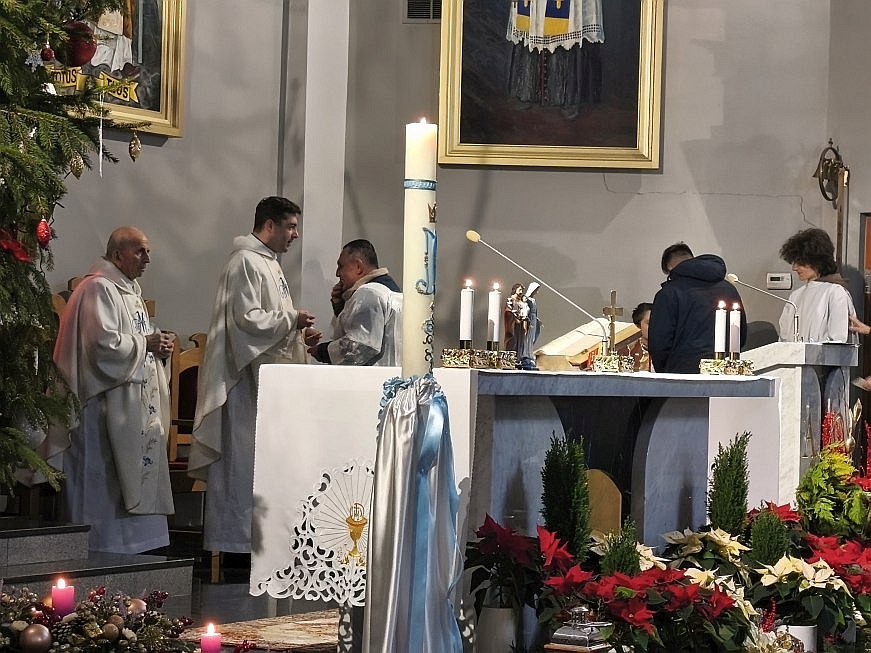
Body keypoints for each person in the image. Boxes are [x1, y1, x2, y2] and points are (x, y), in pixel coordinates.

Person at [188, 196, 319, 555]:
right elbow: (246, 320)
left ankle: (261, 544)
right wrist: (291, 320)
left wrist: (298, 334)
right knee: (242, 464)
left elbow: (268, 321)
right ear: (270, 225)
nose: (295, 235)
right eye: (291, 227)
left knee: (263, 465)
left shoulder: (268, 262)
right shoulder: (245, 262)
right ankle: (234, 546)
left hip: (266, 381)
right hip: (244, 381)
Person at [53, 226, 175, 553]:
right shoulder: (97, 289)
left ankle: (134, 550)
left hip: (130, 404)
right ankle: (95, 550)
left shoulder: (130, 292)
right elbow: (101, 347)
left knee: (128, 476)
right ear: (118, 255)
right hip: (101, 407)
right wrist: (146, 343)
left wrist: (159, 350)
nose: (147, 259)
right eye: (140, 251)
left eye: (148, 251)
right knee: (101, 480)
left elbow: (139, 340)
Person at [648, 243, 747, 373]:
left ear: (670, 268)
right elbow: (740, 333)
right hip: (726, 369)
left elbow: (659, 342)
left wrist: (665, 371)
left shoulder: (669, 293)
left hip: (683, 372)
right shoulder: (729, 289)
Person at [308, 239, 402, 366]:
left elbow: (360, 346)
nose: (337, 273)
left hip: (372, 376)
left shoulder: (369, 293)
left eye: (341, 266)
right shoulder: (390, 292)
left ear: (358, 266)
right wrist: (341, 306)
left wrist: (322, 351)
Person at [778, 228, 856, 342]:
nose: (794, 268)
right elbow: (783, 338)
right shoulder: (795, 296)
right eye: (794, 262)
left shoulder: (835, 293)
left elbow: (838, 341)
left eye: (800, 262)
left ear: (817, 261)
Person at [518, 282, 542, 369]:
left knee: (532, 337)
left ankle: (530, 354)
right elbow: (525, 310)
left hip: (533, 319)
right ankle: (525, 354)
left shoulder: (533, 300)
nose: (537, 292)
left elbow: (535, 312)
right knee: (527, 337)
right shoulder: (527, 299)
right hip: (529, 319)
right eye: (536, 290)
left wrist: (537, 319)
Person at [504, 283, 529, 358]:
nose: (521, 292)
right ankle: (510, 358)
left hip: (520, 323)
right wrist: (515, 318)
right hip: (513, 324)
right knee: (513, 340)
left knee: (520, 341)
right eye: (520, 290)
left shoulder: (521, 301)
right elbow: (508, 311)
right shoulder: (510, 300)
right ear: (515, 290)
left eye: (522, 290)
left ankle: (518, 358)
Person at [630, 302, 653, 372]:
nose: (655, 326)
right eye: (649, 323)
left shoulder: (673, 350)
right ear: (638, 325)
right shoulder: (629, 351)